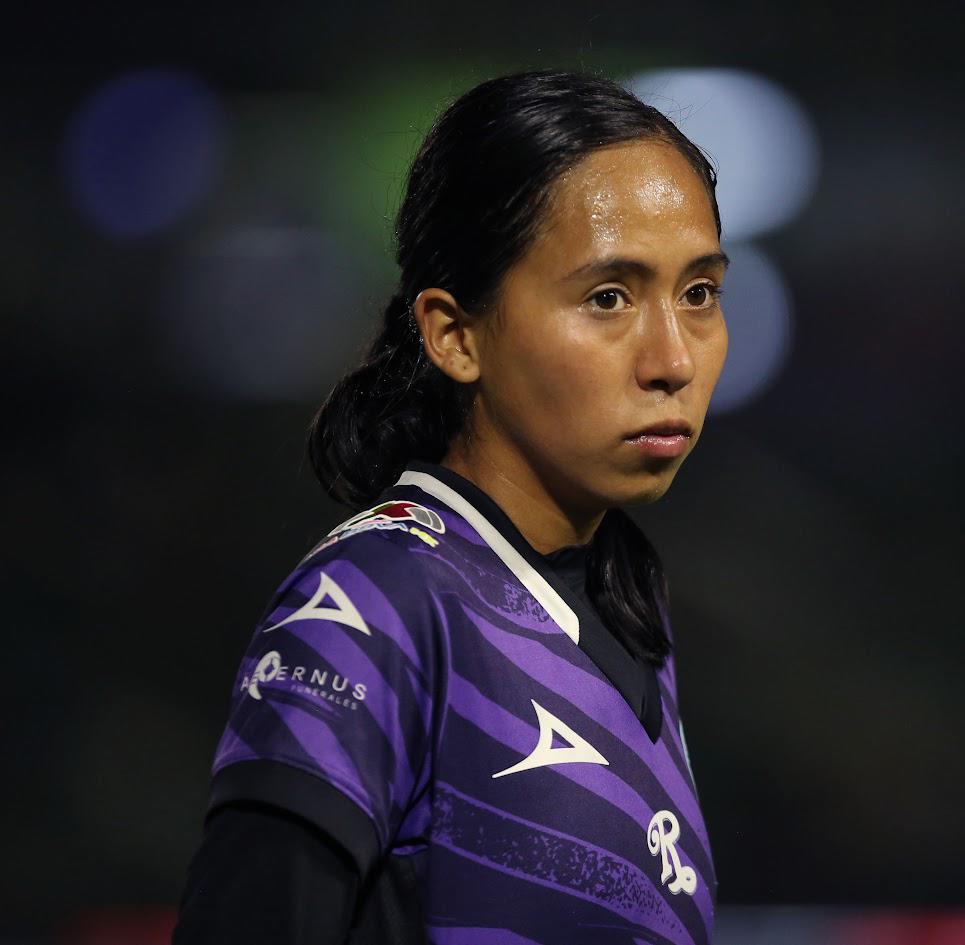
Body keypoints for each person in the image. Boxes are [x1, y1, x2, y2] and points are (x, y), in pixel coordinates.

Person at [171, 67, 729, 945]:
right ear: (454, 333)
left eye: (698, 293)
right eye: (608, 297)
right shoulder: (373, 603)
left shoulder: (625, 603)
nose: (672, 358)